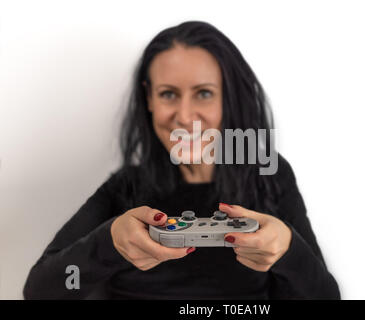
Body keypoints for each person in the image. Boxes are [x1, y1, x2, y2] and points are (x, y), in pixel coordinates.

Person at [23, 21, 340, 299]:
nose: (185, 117)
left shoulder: (270, 177)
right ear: (149, 97)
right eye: (168, 94)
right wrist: (109, 245)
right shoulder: (125, 188)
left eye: (203, 93)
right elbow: (41, 291)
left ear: (228, 98)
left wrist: (287, 251)